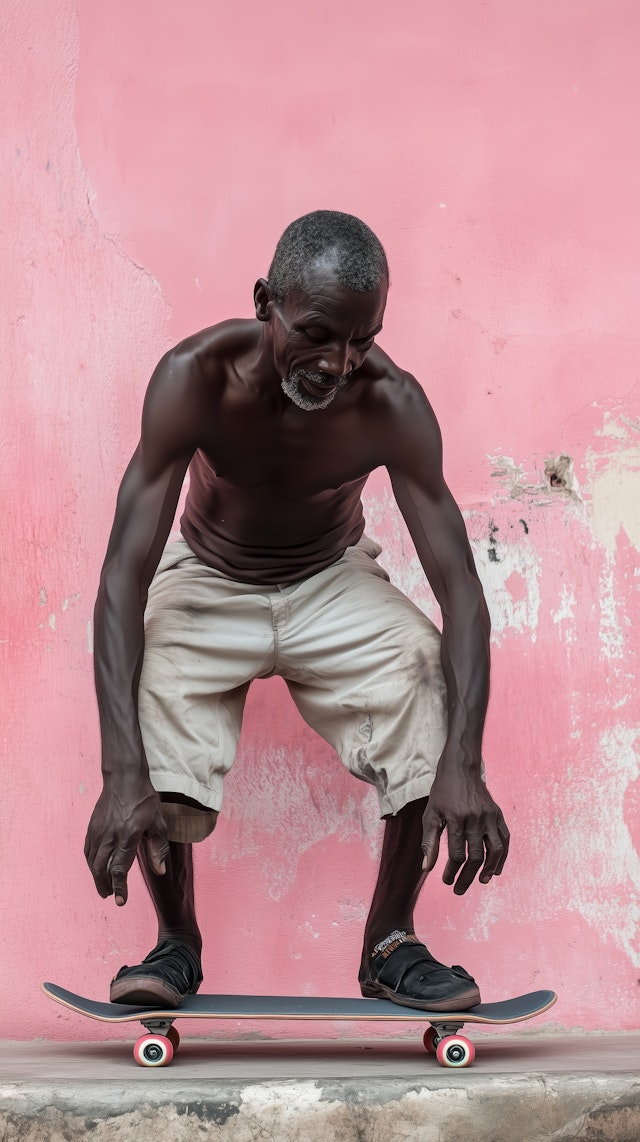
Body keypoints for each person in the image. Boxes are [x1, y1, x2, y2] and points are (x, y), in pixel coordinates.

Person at [84, 210, 509, 1013]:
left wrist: (465, 763)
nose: (338, 363)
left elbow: (461, 594)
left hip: (329, 577)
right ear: (263, 303)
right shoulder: (191, 378)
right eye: (316, 332)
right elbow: (122, 578)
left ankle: (390, 942)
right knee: (151, 683)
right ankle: (176, 941)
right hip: (209, 574)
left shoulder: (392, 403)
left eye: (361, 340)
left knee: (425, 671)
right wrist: (120, 773)